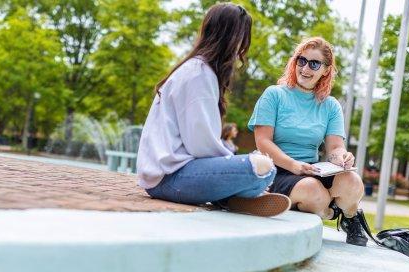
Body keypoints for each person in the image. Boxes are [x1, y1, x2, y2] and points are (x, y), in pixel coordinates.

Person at [136, 3, 290, 217]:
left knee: (257, 166)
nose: (241, 50)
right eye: (242, 40)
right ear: (231, 38)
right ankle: (234, 197)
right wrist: (237, 163)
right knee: (264, 168)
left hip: (165, 176)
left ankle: (232, 198)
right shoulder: (199, 74)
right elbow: (201, 145)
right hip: (170, 178)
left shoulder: (196, 70)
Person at [248, 37, 367, 245]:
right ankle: (329, 211)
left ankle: (350, 216)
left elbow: (335, 147)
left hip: (311, 169)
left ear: (326, 70)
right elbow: (263, 142)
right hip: (277, 169)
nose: (305, 68)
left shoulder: (330, 106)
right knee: (314, 192)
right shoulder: (274, 95)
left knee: (353, 182)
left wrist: (342, 157)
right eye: (301, 60)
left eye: (314, 64)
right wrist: (294, 165)